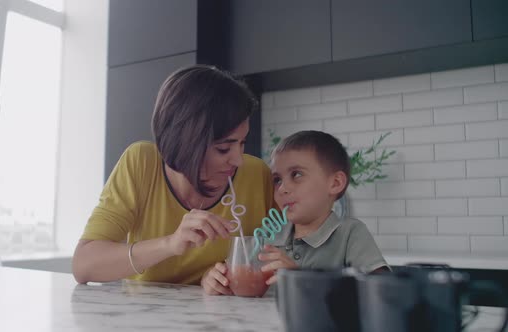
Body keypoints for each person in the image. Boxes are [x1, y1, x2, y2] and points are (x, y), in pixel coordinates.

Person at [72, 65, 275, 291]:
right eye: (223, 149)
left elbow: (285, 253)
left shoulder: (257, 175)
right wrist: (170, 244)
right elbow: (83, 265)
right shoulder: (141, 163)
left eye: (242, 142)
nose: (238, 159)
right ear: (186, 141)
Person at [259, 130, 389, 285]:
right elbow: (243, 276)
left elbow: (382, 290)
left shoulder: (350, 234)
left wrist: (300, 279)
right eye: (277, 180)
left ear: (335, 183)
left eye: (297, 175)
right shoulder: (267, 234)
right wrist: (225, 279)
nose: (282, 188)